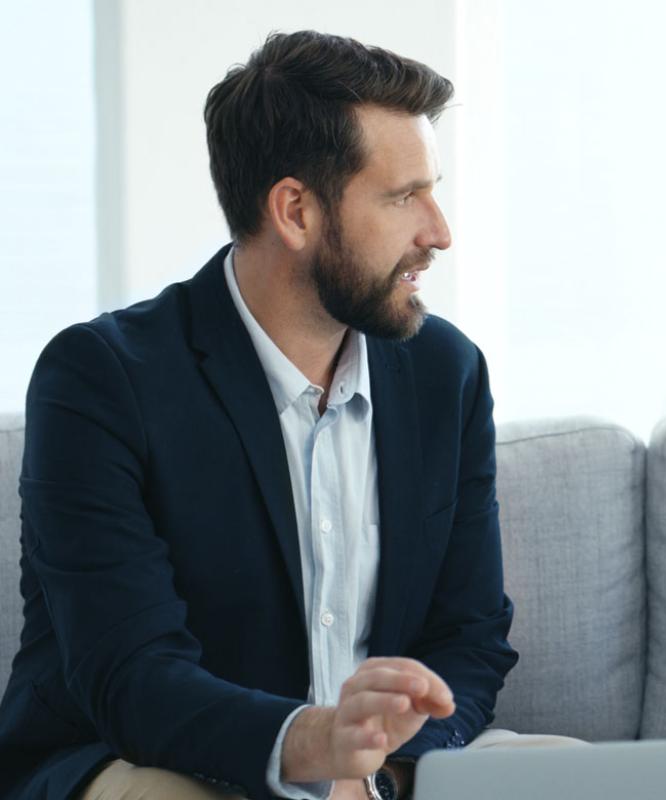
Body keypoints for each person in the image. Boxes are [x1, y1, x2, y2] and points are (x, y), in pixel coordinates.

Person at [0, 31, 521, 800]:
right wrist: (312, 747)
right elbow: (132, 677)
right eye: (403, 195)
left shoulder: (447, 372)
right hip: (155, 762)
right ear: (296, 212)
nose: (438, 232)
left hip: (383, 774)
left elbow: (471, 636)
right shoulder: (100, 380)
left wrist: (379, 765)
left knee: (581, 773)